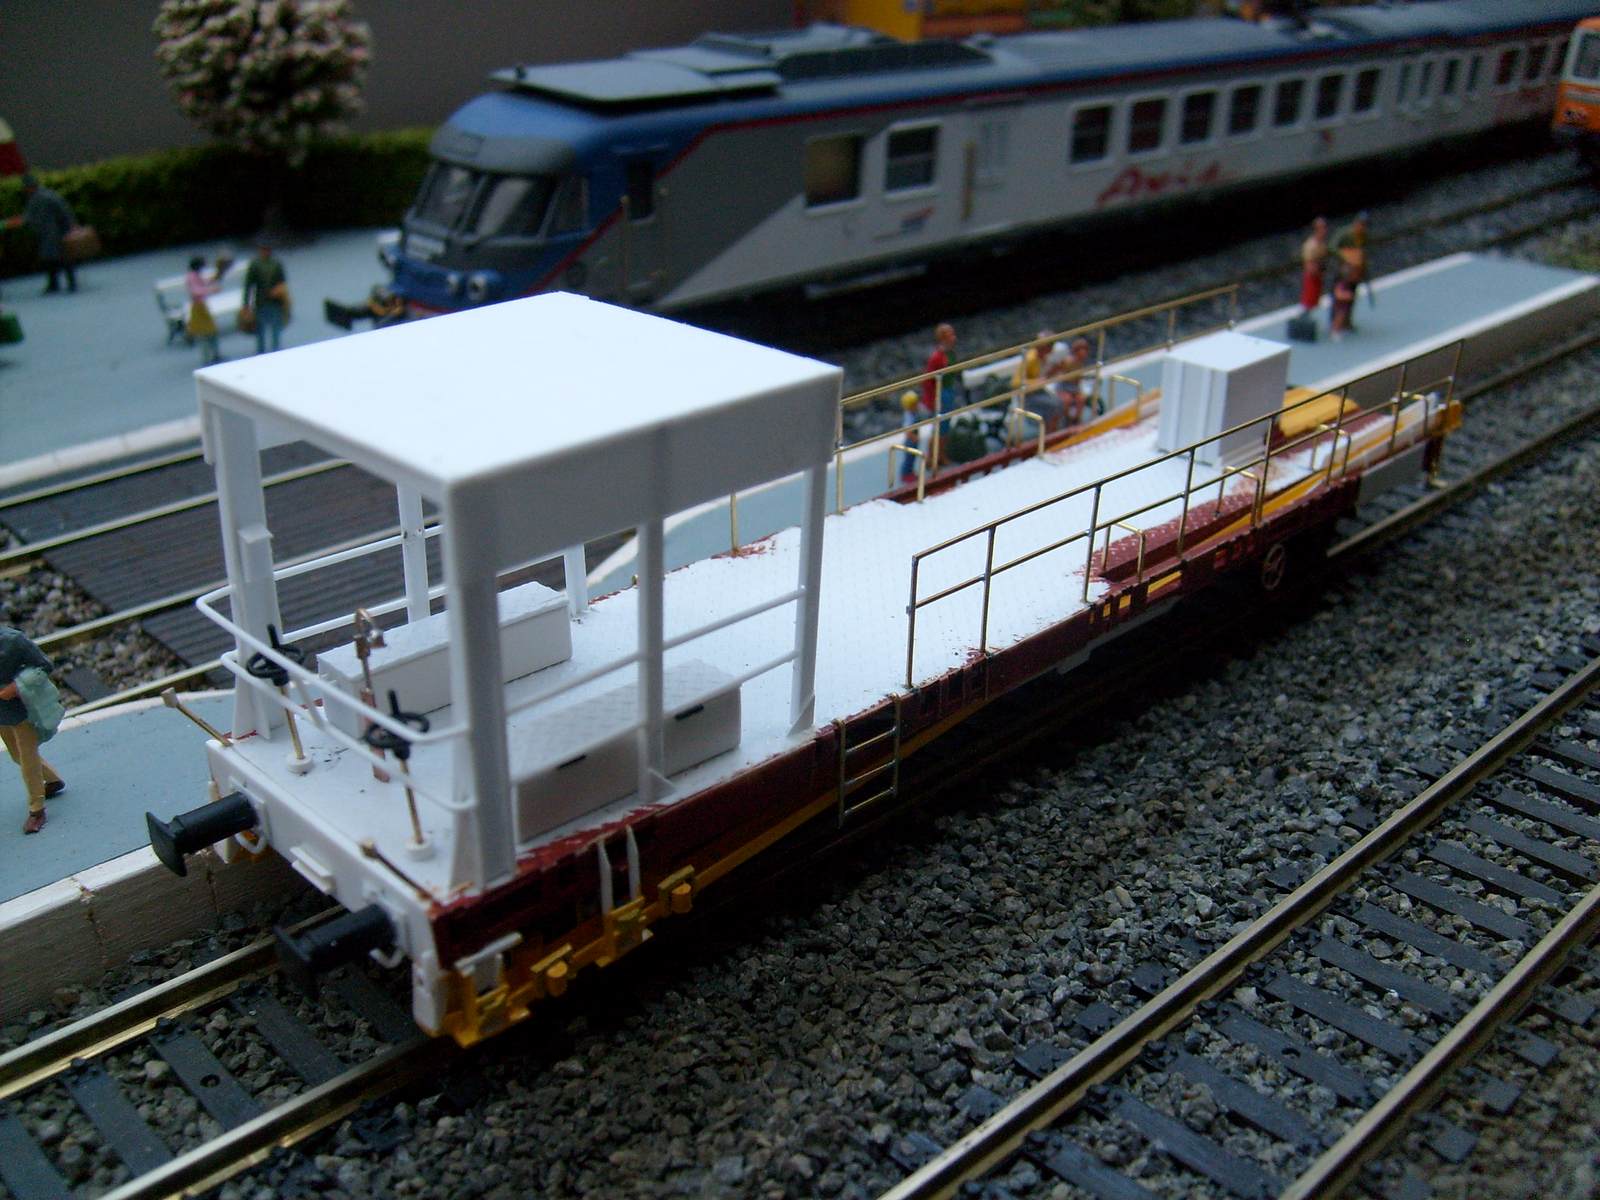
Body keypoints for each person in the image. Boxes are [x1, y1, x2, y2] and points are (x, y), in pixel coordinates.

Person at [0, 624, 65, 835]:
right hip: (2, 713)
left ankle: (37, 810)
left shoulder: (13, 640)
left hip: (23, 709)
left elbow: (43, 665)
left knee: (28, 758)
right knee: (17, 755)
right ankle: (53, 779)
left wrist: (17, 686)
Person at [3, 174, 76, 294]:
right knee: (57, 258)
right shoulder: (48, 194)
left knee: (57, 259)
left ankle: (60, 284)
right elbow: (65, 210)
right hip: (56, 231)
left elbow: (28, 218)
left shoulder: (38, 198)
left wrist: (7, 223)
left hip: (51, 232)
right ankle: (60, 283)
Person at [242, 239, 289, 354]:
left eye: (267, 250)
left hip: (275, 302)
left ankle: (276, 351)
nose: (265, 252)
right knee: (260, 330)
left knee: (276, 328)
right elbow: (248, 286)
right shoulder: (255, 265)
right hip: (261, 302)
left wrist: (282, 297)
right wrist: (246, 305)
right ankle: (261, 352)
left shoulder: (276, 264)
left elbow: (282, 282)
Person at [1013, 332, 1065, 433]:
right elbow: (1015, 382)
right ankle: (1049, 434)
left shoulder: (1042, 358)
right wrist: (1035, 382)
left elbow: (1043, 377)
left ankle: (1053, 431)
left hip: (1038, 391)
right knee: (1055, 405)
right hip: (1027, 395)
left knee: (1059, 403)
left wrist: (1054, 371)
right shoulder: (1031, 359)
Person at [1331, 211, 1370, 330]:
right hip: (1343, 271)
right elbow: (1332, 246)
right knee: (1339, 297)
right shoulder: (1344, 233)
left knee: (1351, 297)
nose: (1362, 227)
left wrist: (1362, 266)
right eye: (1361, 224)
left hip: (1355, 272)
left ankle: (1347, 321)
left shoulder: (1363, 236)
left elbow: (1362, 251)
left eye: (1365, 225)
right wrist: (1346, 256)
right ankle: (1335, 322)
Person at [185, 255, 223, 365]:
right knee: (204, 334)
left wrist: (213, 280)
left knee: (212, 332)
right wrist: (211, 289)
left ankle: (215, 354)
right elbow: (196, 291)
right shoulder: (191, 277)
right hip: (198, 307)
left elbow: (204, 283)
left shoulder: (196, 275)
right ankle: (207, 359)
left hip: (202, 305)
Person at [1300, 217, 1329, 313]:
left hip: (1319, 277)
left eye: (1325, 227)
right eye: (1322, 228)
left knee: (1316, 302)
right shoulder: (1311, 245)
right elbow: (1309, 266)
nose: (1325, 230)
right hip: (1312, 278)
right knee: (1309, 303)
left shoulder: (1322, 244)